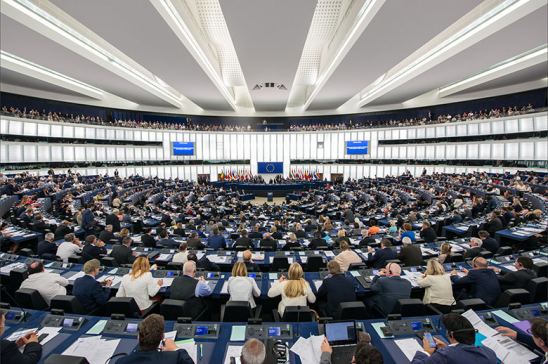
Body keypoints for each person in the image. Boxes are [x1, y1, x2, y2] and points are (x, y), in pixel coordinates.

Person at [411, 313, 497, 363]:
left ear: (450, 334)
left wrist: (426, 352)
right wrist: (446, 348)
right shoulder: (490, 352)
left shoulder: (445, 355)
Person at [116, 314, 194, 364]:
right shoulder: (175, 358)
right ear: (162, 337)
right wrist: (175, 349)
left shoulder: (120, 362)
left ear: (138, 337)